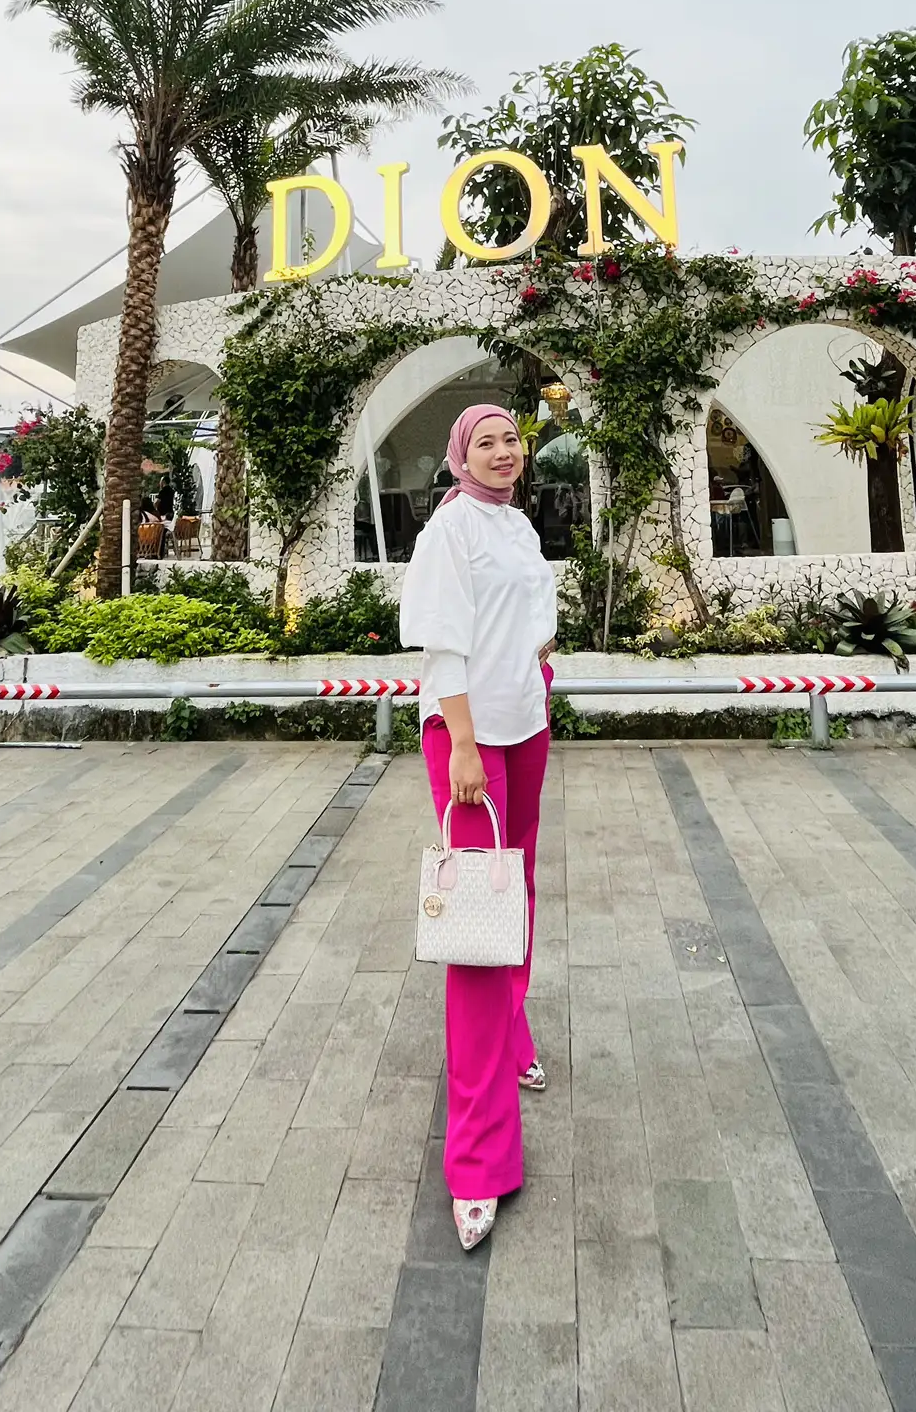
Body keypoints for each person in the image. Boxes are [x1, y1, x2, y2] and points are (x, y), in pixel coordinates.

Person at [400, 403, 557, 1253]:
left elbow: (525, 623)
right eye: (485, 442)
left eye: (510, 440)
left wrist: (535, 664)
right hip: (467, 740)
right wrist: (461, 739)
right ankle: (478, 1162)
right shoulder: (450, 532)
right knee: (475, 934)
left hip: (524, 724)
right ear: (461, 457)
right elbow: (441, 643)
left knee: (517, 889)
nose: (503, 453)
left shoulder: (517, 526)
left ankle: (517, 1033)